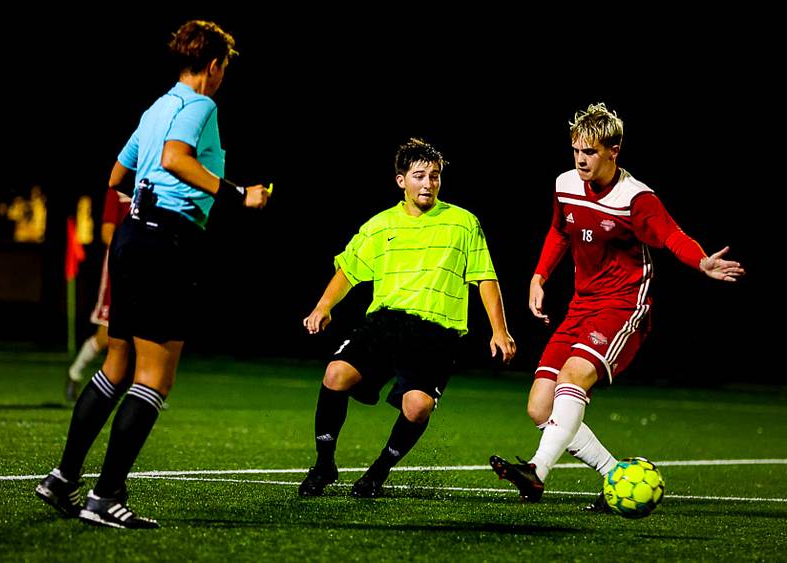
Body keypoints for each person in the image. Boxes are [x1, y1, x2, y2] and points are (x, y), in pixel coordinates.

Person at [35, 19, 270, 529]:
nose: (224, 75)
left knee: (116, 365)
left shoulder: (157, 105)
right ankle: (104, 497)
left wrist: (147, 210)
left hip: (133, 237)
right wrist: (237, 194)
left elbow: (119, 176)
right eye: (225, 67)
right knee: (154, 377)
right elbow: (174, 158)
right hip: (167, 242)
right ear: (214, 66)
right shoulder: (200, 104)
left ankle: (62, 478)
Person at [490, 102, 745, 509]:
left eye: (589, 152)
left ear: (614, 151)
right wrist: (539, 276)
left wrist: (701, 261)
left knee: (573, 375)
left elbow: (673, 236)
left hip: (624, 306)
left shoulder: (636, 198)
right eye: (575, 150)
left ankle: (537, 470)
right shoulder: (565, 184)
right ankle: (614, 475)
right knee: (540, 406)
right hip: (580, 305)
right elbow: (560, 231)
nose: (580, 160)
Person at [299, 137, 516, 498]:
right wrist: (323, 307)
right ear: (402, 180)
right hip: (385, 323)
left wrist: (500, 330)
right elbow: (349, 271)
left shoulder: (462, 223)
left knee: (417, 407)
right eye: (419, 176)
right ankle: (324, 464)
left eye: (434, 176)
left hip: (435, 331)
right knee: (336, 374)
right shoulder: (380, 225)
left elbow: (485, 278)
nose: (428, 183)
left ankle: (376, 474)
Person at [65, 188, 131, 402]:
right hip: (120, 268)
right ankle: (75, 372)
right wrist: (130, 251)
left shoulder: (158, 182)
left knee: (143, 333)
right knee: (106, 335)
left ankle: (144, 390)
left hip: (147, 269)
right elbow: (106, 232)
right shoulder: (120, 187)